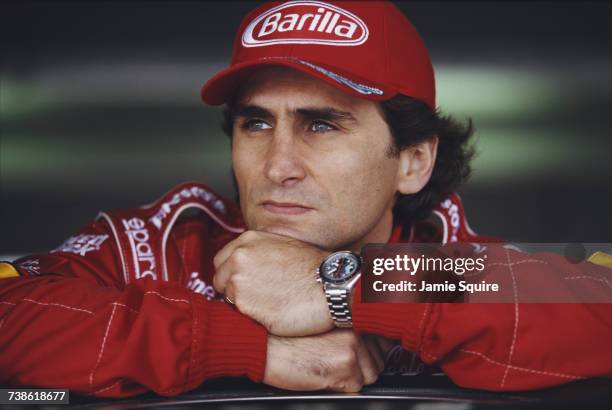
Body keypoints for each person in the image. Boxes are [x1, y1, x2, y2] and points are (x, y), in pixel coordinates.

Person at [1, 0, 610, 397]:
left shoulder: (458, 262)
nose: (278, 165)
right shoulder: (161, 244)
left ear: (413, 161)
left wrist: (341, 284)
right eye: (256, 124)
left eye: (322, 124)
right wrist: (233, 346)